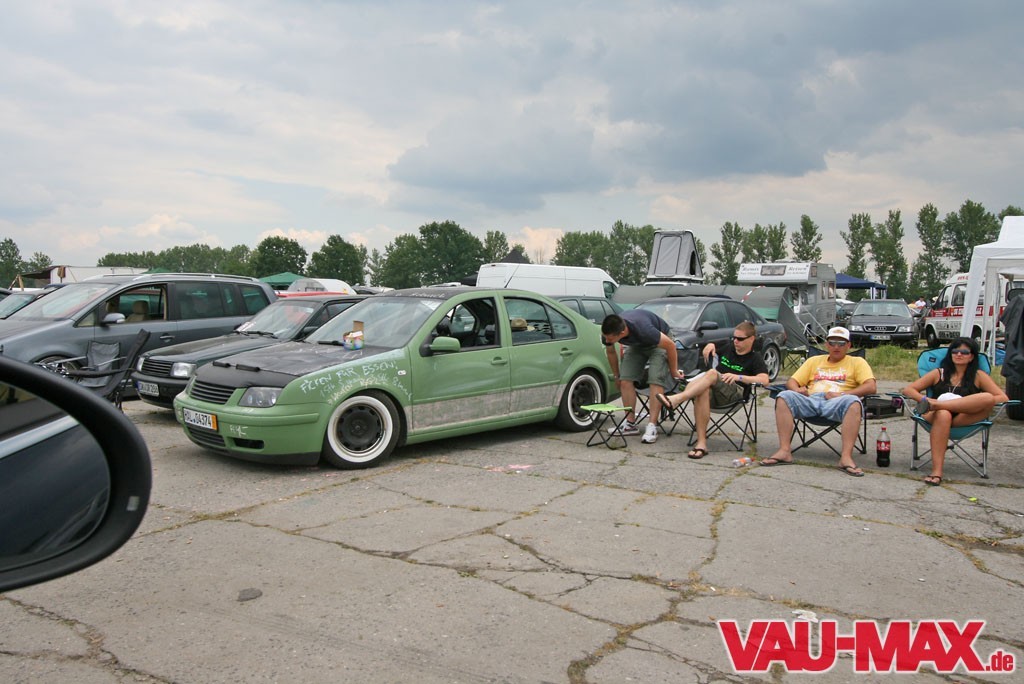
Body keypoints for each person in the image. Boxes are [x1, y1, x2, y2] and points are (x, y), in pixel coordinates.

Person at [760, 326, 876, 476]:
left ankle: (846, 458)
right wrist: (797, 390)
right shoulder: (814, 361)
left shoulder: (857, 362)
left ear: (849, 345)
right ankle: (784, 451)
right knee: (784, 396)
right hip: (811, 399)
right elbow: (792, 381)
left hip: (838, 402)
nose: (836, 347)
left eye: (841, 343)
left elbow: (871, 386)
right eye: (832, 342)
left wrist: (842, 394)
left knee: (853, 402)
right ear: (826, 344)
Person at [654, 321, 769, 459]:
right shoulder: (729, 346)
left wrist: (739, 377)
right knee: (703, 390)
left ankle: (677, 399)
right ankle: (701, 444)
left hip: (735, 395)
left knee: (712, 373)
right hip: (715, 391)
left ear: (751, 339)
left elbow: (764, 380)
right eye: (734, 337)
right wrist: (710, 345)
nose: (735, 341)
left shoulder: (755, 358)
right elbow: (712, 344)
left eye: (740, 339)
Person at [901, 337, 1007, 485]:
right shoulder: (939, 373)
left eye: (964, 352)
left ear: (972, 357)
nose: (959, 354)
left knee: (988, 398)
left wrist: (956, 404)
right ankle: (937, 472)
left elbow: (1002, 397)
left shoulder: (979, 376)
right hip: (936, 416)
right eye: (955, 351)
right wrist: (925, 400)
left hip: (964, 417)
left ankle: (940, 405)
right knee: (944, 414)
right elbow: (909, 390)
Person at [601, 311, 685, 444]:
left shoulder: (644, 329)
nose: (607, 341)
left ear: (622, 333)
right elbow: (611, 352)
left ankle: (652, 426)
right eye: (606, 338)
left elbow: (670, 345)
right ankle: (630, 424)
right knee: (625, 380)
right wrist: (617, 376)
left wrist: (674, 371)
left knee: (655, 379)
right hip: (638, 345)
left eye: (610, 339)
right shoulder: (609, 331)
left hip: (659, 344)